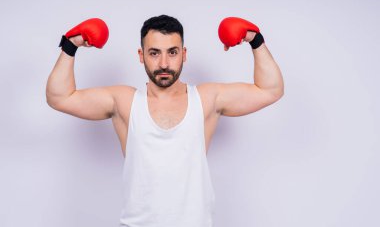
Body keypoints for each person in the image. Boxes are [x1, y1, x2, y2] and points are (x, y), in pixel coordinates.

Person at [46, 15, 284, 227]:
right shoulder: (124, 101)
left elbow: (270, 89)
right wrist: (70, 46)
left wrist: (256, 40)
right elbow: (60, 97)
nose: (163, 64)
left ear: (184, 54)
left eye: (172, 52)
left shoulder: (207, 98)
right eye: (154, 53)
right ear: (141, 56)